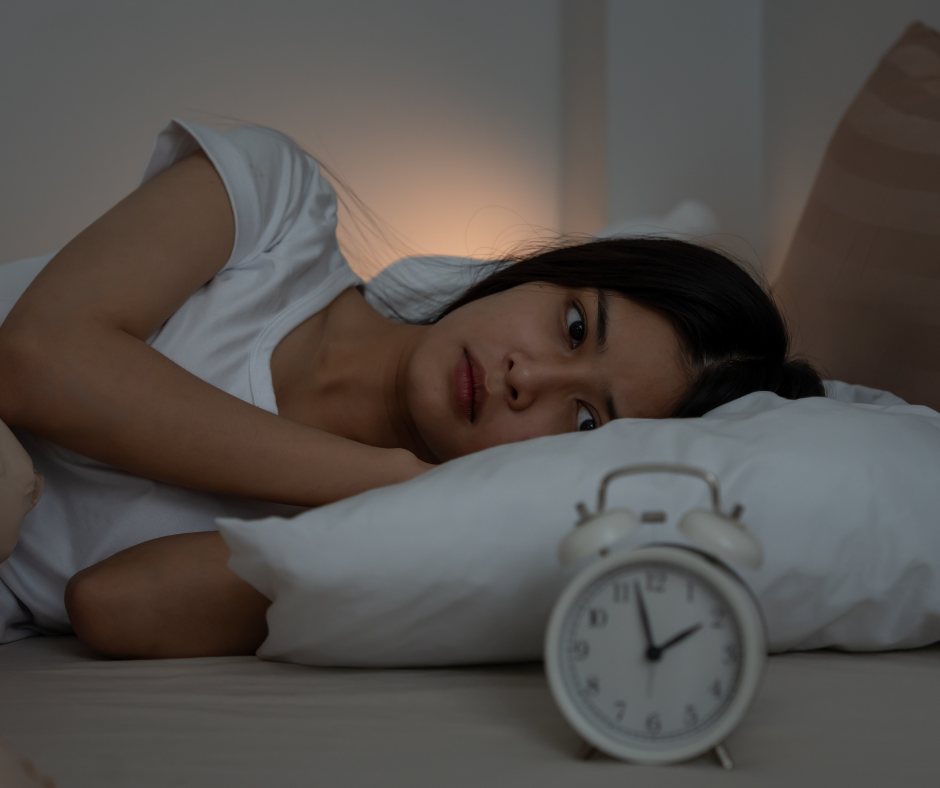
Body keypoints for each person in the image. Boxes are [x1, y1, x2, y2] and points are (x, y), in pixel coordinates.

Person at [0, 121, 823, 659]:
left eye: (582, 422)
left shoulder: (372, 541)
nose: (524, 378)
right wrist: (386, 475)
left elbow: (110, 604)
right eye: (573, 327)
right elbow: (35, 362)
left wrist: (405, 511)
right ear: (550, 275)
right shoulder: (277, 207)